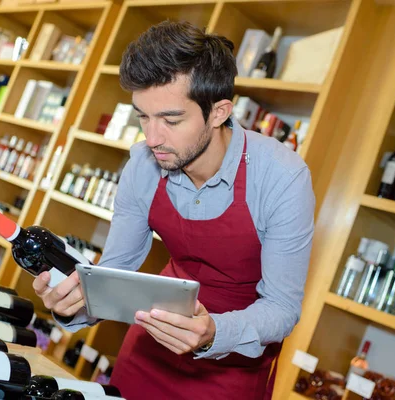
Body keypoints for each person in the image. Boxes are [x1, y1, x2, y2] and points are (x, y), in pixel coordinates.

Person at [32, 21, 315, 400]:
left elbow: (282, 308)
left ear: (219, 112)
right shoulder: (143, 165)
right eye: (143, 117)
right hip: (152, 345)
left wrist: (213, 331)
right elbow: (114, 273)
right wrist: (73, 307)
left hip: (233, 363)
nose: (152, 138)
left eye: (171, 120)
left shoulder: (282, 177)